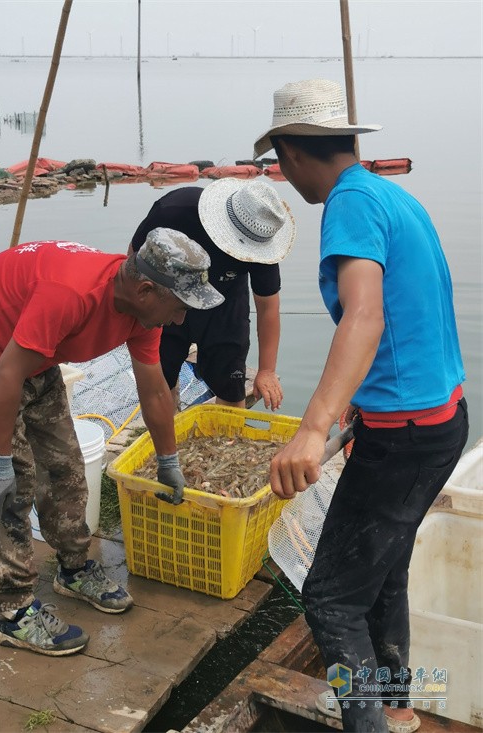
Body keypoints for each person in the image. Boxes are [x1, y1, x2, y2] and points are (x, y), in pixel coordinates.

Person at [255, 79, 468, 732]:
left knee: (328, 600)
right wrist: (354, 408)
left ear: (291, 154)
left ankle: (371, 722)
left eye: (280, 162)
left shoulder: (346, 205)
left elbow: (367, 317)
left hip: (404, 438)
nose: (283, 174)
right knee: (387, 568)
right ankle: (397, 708)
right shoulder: (390, 195)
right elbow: (411, 318)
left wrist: (313, 425)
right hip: (442, 420)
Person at [0, 228, 223, 657]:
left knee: (65, 464)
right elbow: (5, 375)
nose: (181, 319)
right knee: (9, 486)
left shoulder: (142, 313)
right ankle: (14, 612)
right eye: (179, 307)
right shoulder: (71, 293)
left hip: (31, 352)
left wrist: (168, 458)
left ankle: (73, 569)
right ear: (145, 289)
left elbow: (155, 389)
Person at [129, 178, 296, 411]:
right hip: (168, 296)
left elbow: (268, 307)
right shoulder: (174, 211)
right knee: (160, 376)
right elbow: (134, 260)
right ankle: (165, 432)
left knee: (230, 383)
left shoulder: (260, 237)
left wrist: (267, 370)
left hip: (225, 304)